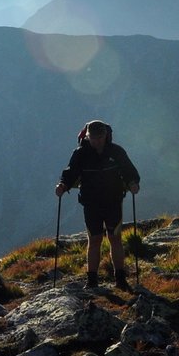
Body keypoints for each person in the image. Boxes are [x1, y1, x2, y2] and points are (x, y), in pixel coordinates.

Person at [55, 120, 141, 290]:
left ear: (105, 136)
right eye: (93, 138)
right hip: (92, 203)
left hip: (111, 201)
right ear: (88, 137)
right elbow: (71, 172)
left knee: (114, 238)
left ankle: (120, 278)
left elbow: (129, 170)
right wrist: (63, 185)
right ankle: (92, 280)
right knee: (95, 239)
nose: (96, 141)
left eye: (99, 138)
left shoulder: (116, 152)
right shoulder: (81, 154)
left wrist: (133, 182)